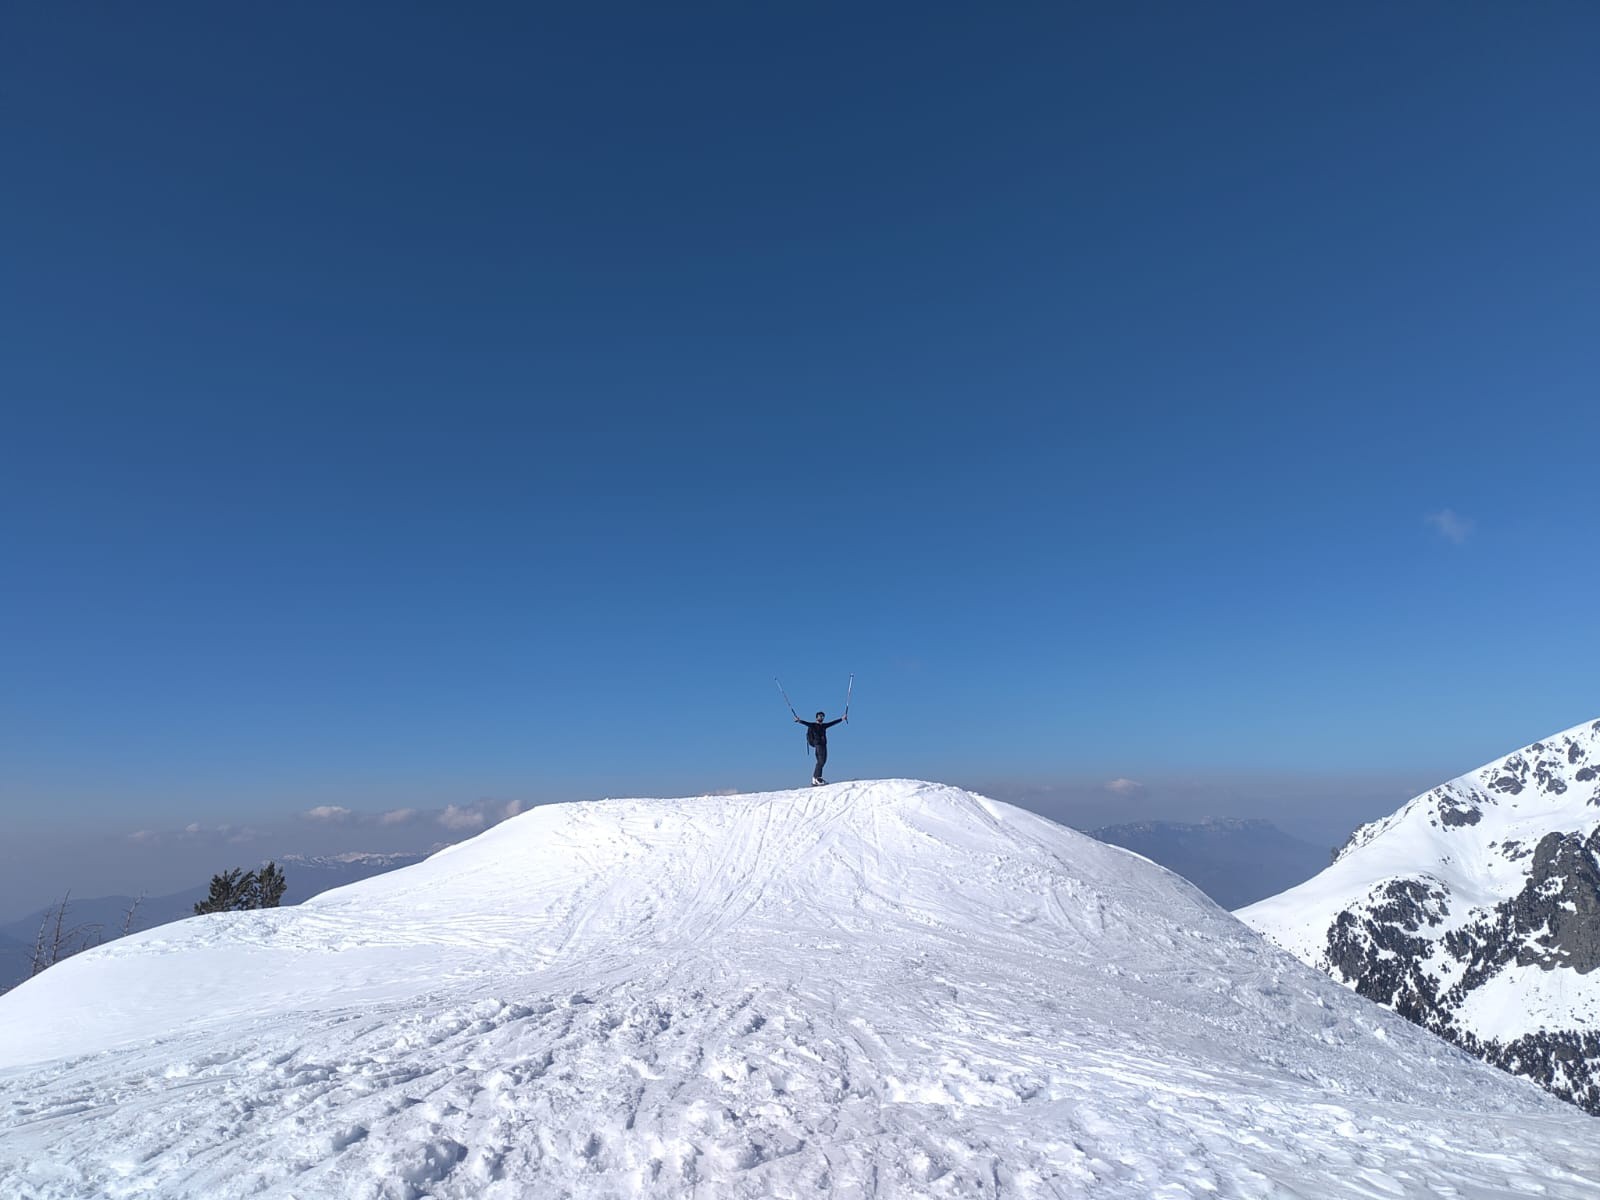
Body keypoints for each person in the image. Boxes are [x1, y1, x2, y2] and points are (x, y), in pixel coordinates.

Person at [796, 710, 845, 785]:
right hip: (818, 745)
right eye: (820, 716)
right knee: (821, 761)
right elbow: (806, 723)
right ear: (816, 717)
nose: (821, 717)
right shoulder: (813, 725)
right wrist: (799, 721)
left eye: (822, 716)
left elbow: (832, 723)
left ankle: (817, 778)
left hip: (824, 745)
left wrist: (842, 719)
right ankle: (816, 778)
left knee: (823, 761)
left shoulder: (824, 726)